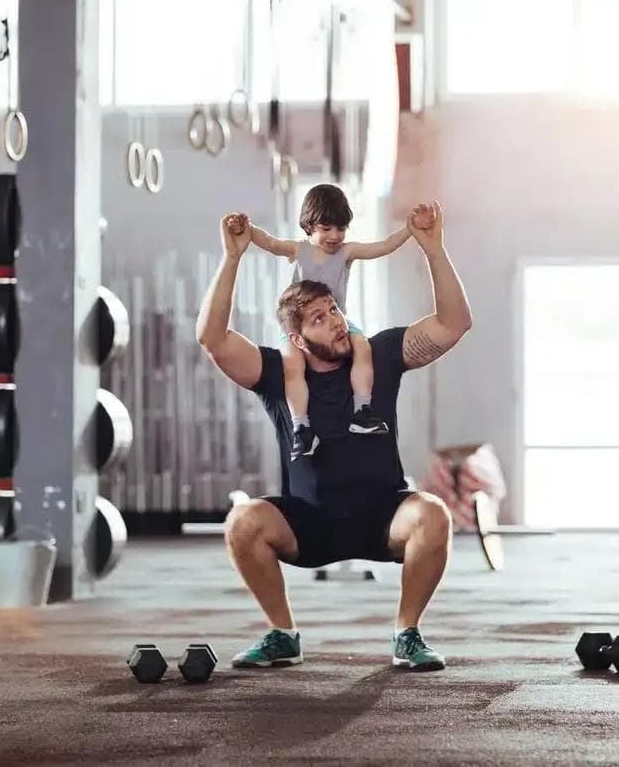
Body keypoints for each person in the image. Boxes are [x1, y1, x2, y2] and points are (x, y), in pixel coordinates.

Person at [196, 200, 473, 672]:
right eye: (319, 319)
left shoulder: (381, 353)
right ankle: (283, 635)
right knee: (243, 521)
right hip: (310, 524)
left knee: (433, 514)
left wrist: (433, 250)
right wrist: (233, 257)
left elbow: (453, 324)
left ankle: (407, 634)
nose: (336, 321)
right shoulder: (277, 372)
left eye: (334, 310)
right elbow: (212, 337)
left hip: (384, 517)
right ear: (298, 339)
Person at [232, 184, 413, 460]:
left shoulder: (346, 252)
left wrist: (410, 229)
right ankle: (301, 429)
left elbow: (383, 247)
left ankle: (362, 410)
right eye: (326, 228)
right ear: (309, 225)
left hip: (339, 323)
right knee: (293, 366)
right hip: (300, 330)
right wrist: (247, 229)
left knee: (363, 347)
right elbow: (269, 242)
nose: (335, 236)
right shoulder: (299, 250)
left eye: (341, 229)